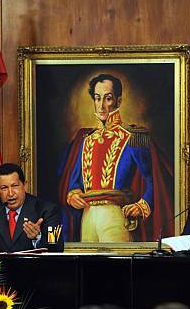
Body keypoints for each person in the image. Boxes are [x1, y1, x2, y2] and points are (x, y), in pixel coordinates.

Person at [58, 73, 174, 242]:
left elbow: (152, 180)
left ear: (118, 101)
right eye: (97, 99)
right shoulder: (85, 140)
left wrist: (142, 205)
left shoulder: (133, 137)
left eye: (108, 99)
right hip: (87, 215)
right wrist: (73, 194)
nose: (101, 106)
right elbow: (74, 182)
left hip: (114, 215)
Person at [0, 163, 63, 252]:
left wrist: (37, 238)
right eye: (4, 188)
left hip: (33, 272)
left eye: (15, 186)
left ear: (25, 185)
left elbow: (57, 246)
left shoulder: (47, 210)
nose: (10, 193)